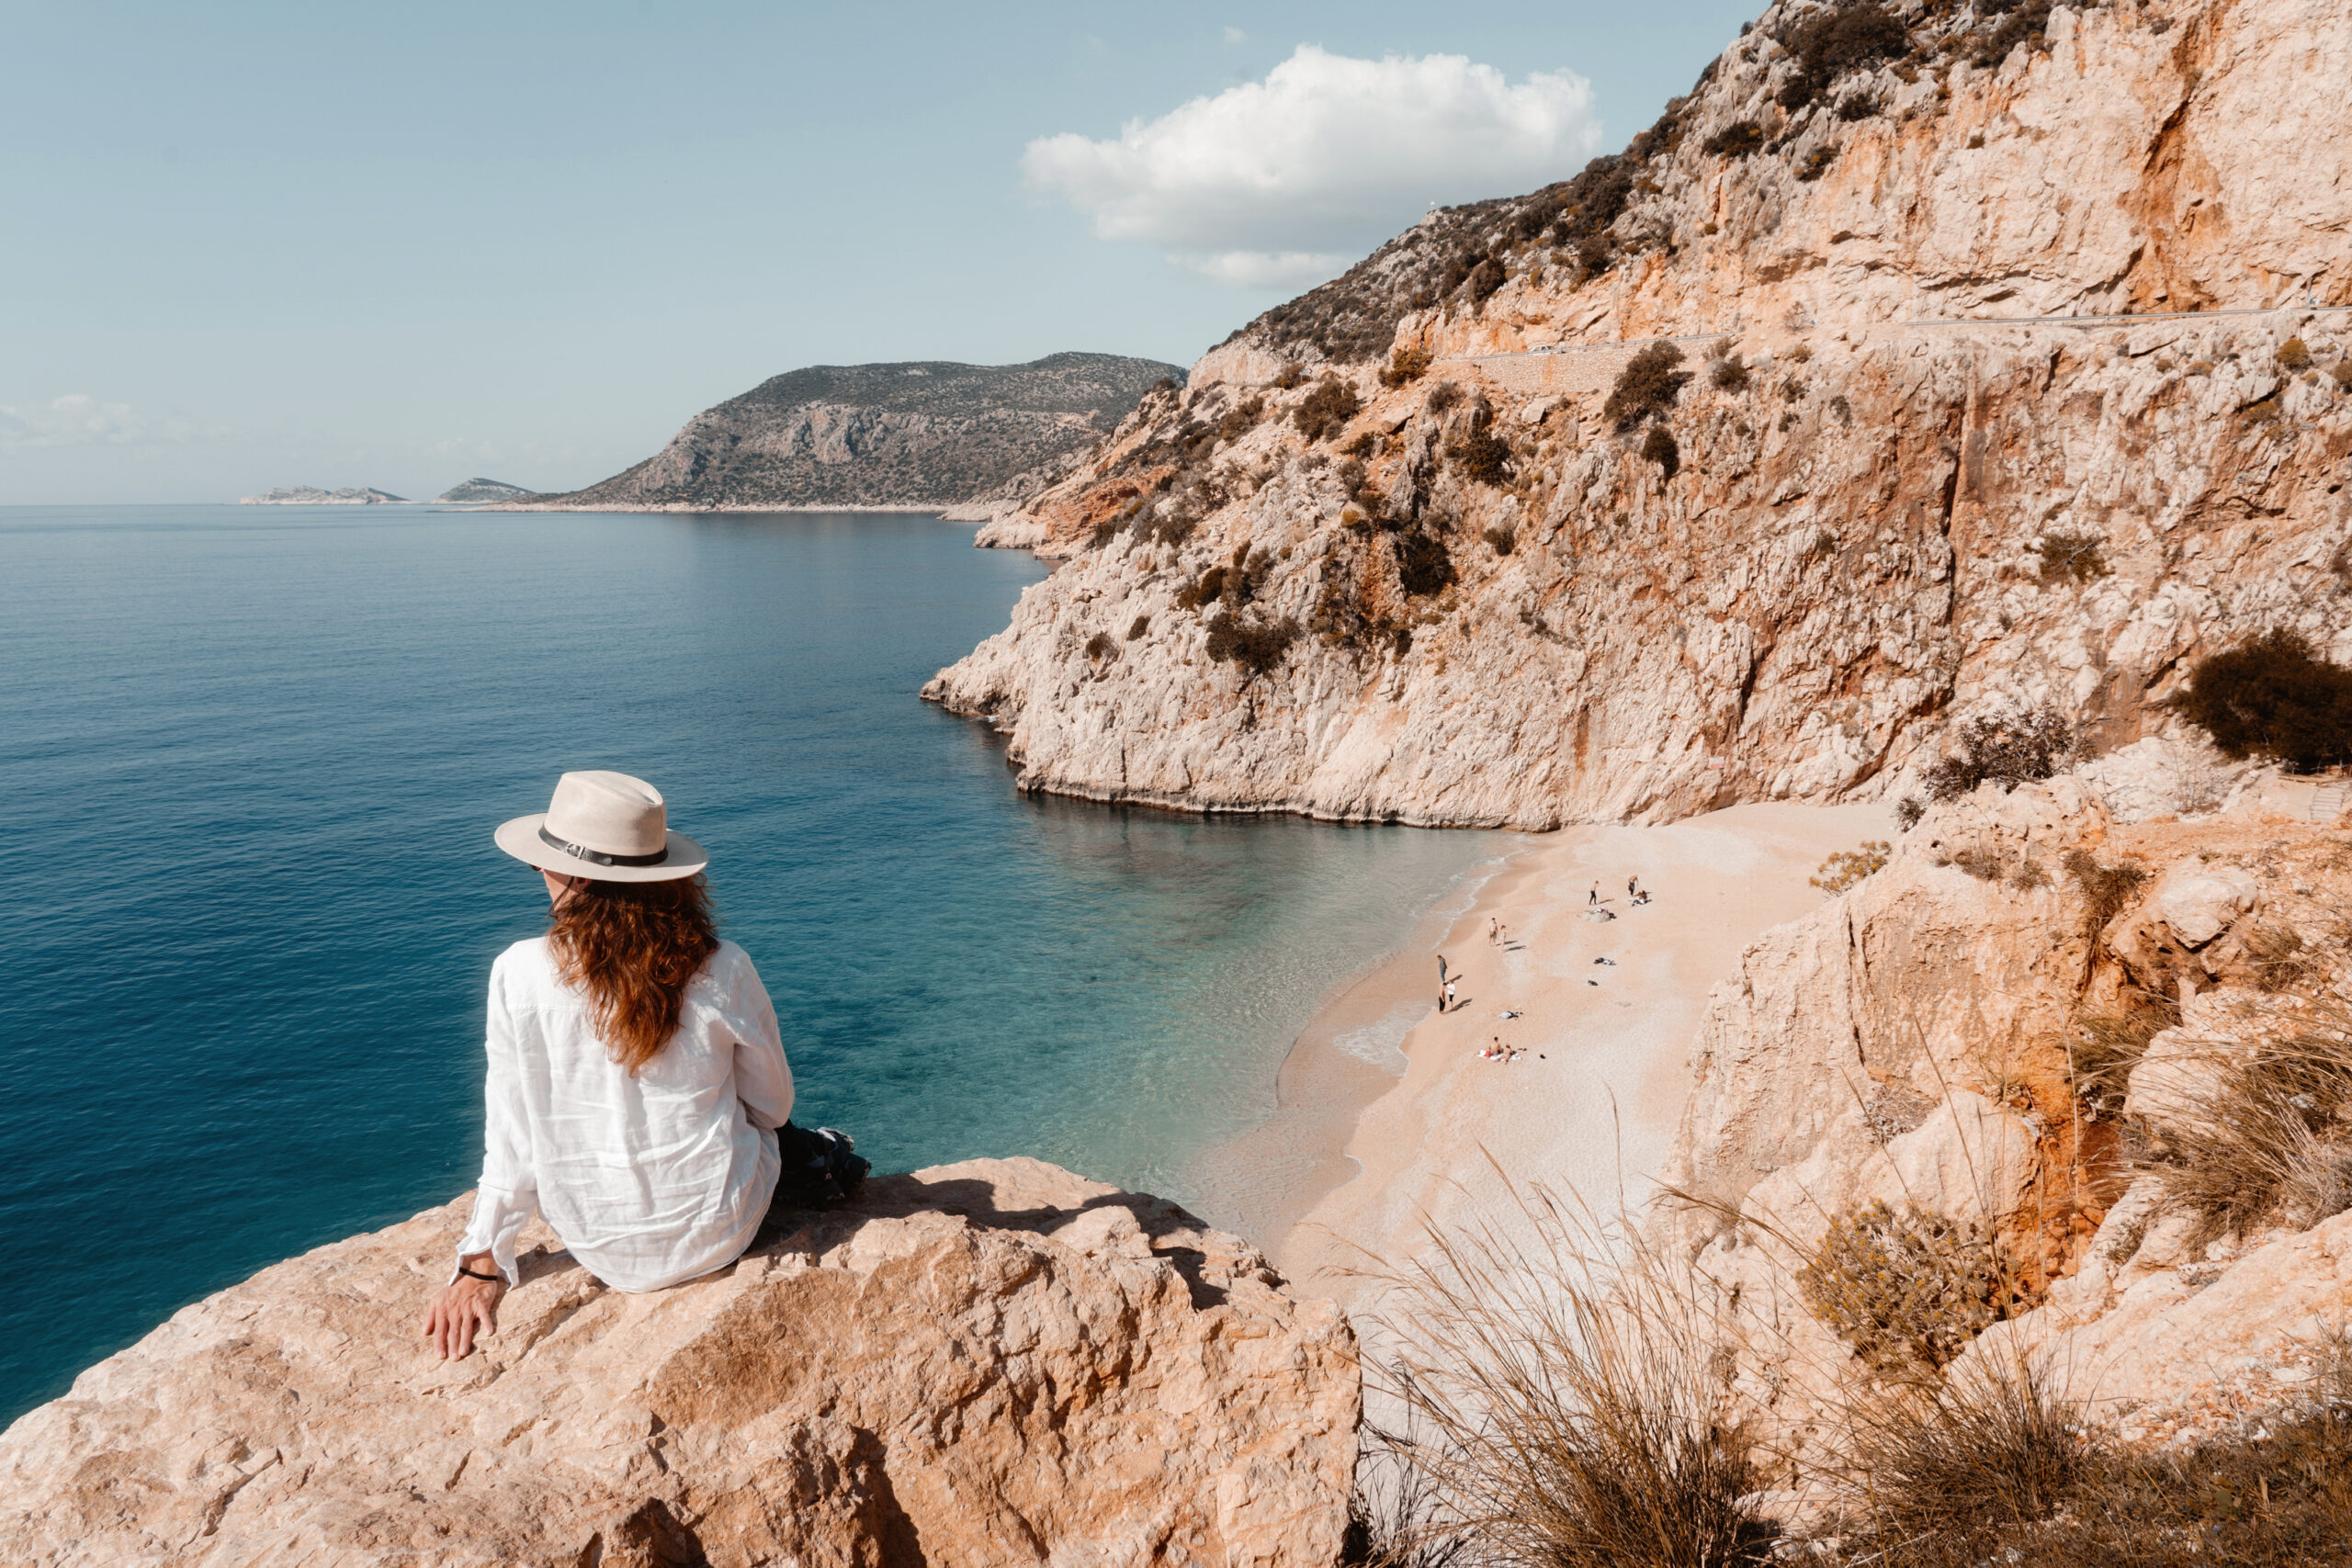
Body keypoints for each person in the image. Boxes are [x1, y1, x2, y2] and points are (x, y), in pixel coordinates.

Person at [421, 770, 863, 1361]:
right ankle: (823, 1155)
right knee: (779, 1125)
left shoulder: (517, 972)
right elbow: (771, 1107)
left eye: (540, 866)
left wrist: (480, 1264)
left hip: (599, 1244)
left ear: (577, 876)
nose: (539, 879)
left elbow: (513, 1133)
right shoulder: (723, 966)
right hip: (719, 1231)